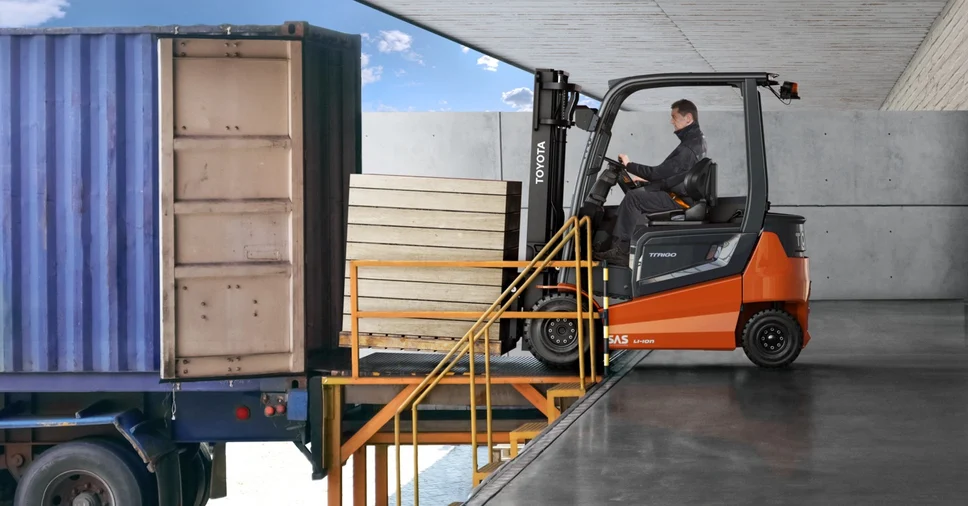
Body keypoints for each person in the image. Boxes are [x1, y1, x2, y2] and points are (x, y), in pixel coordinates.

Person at [594, 99, 707, 264]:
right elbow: (676, 175)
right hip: (683, 194)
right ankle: (613, 244)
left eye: (674, 117)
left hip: (681, 200)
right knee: (635, 196)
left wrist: (629, 165)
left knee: (633, 198)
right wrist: (649, 180)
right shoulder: (695, 141)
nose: (671, 121)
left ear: (688, 118)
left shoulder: (688, 148)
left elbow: (658, 172)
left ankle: (621, 251)